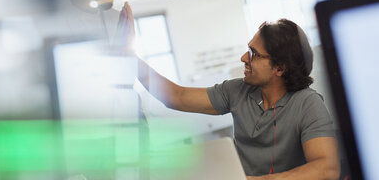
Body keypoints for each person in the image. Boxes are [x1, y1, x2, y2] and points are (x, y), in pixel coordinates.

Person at [137, 19, 340, 179]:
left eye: (254, 53)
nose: (244, 58)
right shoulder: (237, 90)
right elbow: (176, 97)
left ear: (279, 68)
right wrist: (128, 57)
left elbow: (327, 168)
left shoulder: (308, 103)